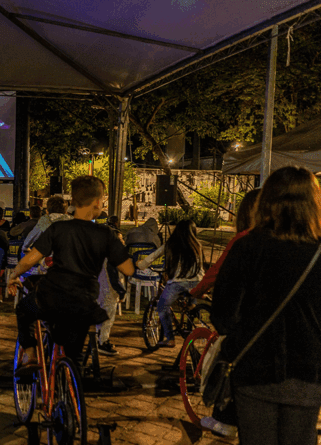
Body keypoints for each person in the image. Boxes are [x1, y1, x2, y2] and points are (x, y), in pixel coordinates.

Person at [212, 166, 321, 445]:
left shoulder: (247, 247)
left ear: (267, 201)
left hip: (254, 368)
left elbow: (223, 317)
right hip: (308, 372)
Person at [9, 176, 134, 369]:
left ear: (73, 202)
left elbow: (29, 260)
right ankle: (72, 380)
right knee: (73, 358)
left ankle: (31, 354)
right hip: (84, 300)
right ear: (98, 202)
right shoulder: (105, 234)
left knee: (24, 310)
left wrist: (13, 275)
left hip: (53, 295)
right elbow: (128, 269)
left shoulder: (58, 229)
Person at [188, 188, 260, 436]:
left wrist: (196, 291)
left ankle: (224, 417)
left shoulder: (243, 240)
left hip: (244, 315)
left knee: (226, 357)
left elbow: (217, 272)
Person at [136, 219, 204, 348]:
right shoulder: (197, 245)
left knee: (162, 306)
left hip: (179, 282)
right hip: (197, 281)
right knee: (189, 302)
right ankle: (193, 310)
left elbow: (152, 257)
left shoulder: (171, 245)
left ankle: (170, 338)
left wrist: (141, 264)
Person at [95, 216, 127, 355]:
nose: (123, 242)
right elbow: (114, 276)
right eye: (120, 239)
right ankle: (102, 342)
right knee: (108, 317)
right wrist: (121, 291)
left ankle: (99, 339)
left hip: (99, 289)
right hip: (109, 290)